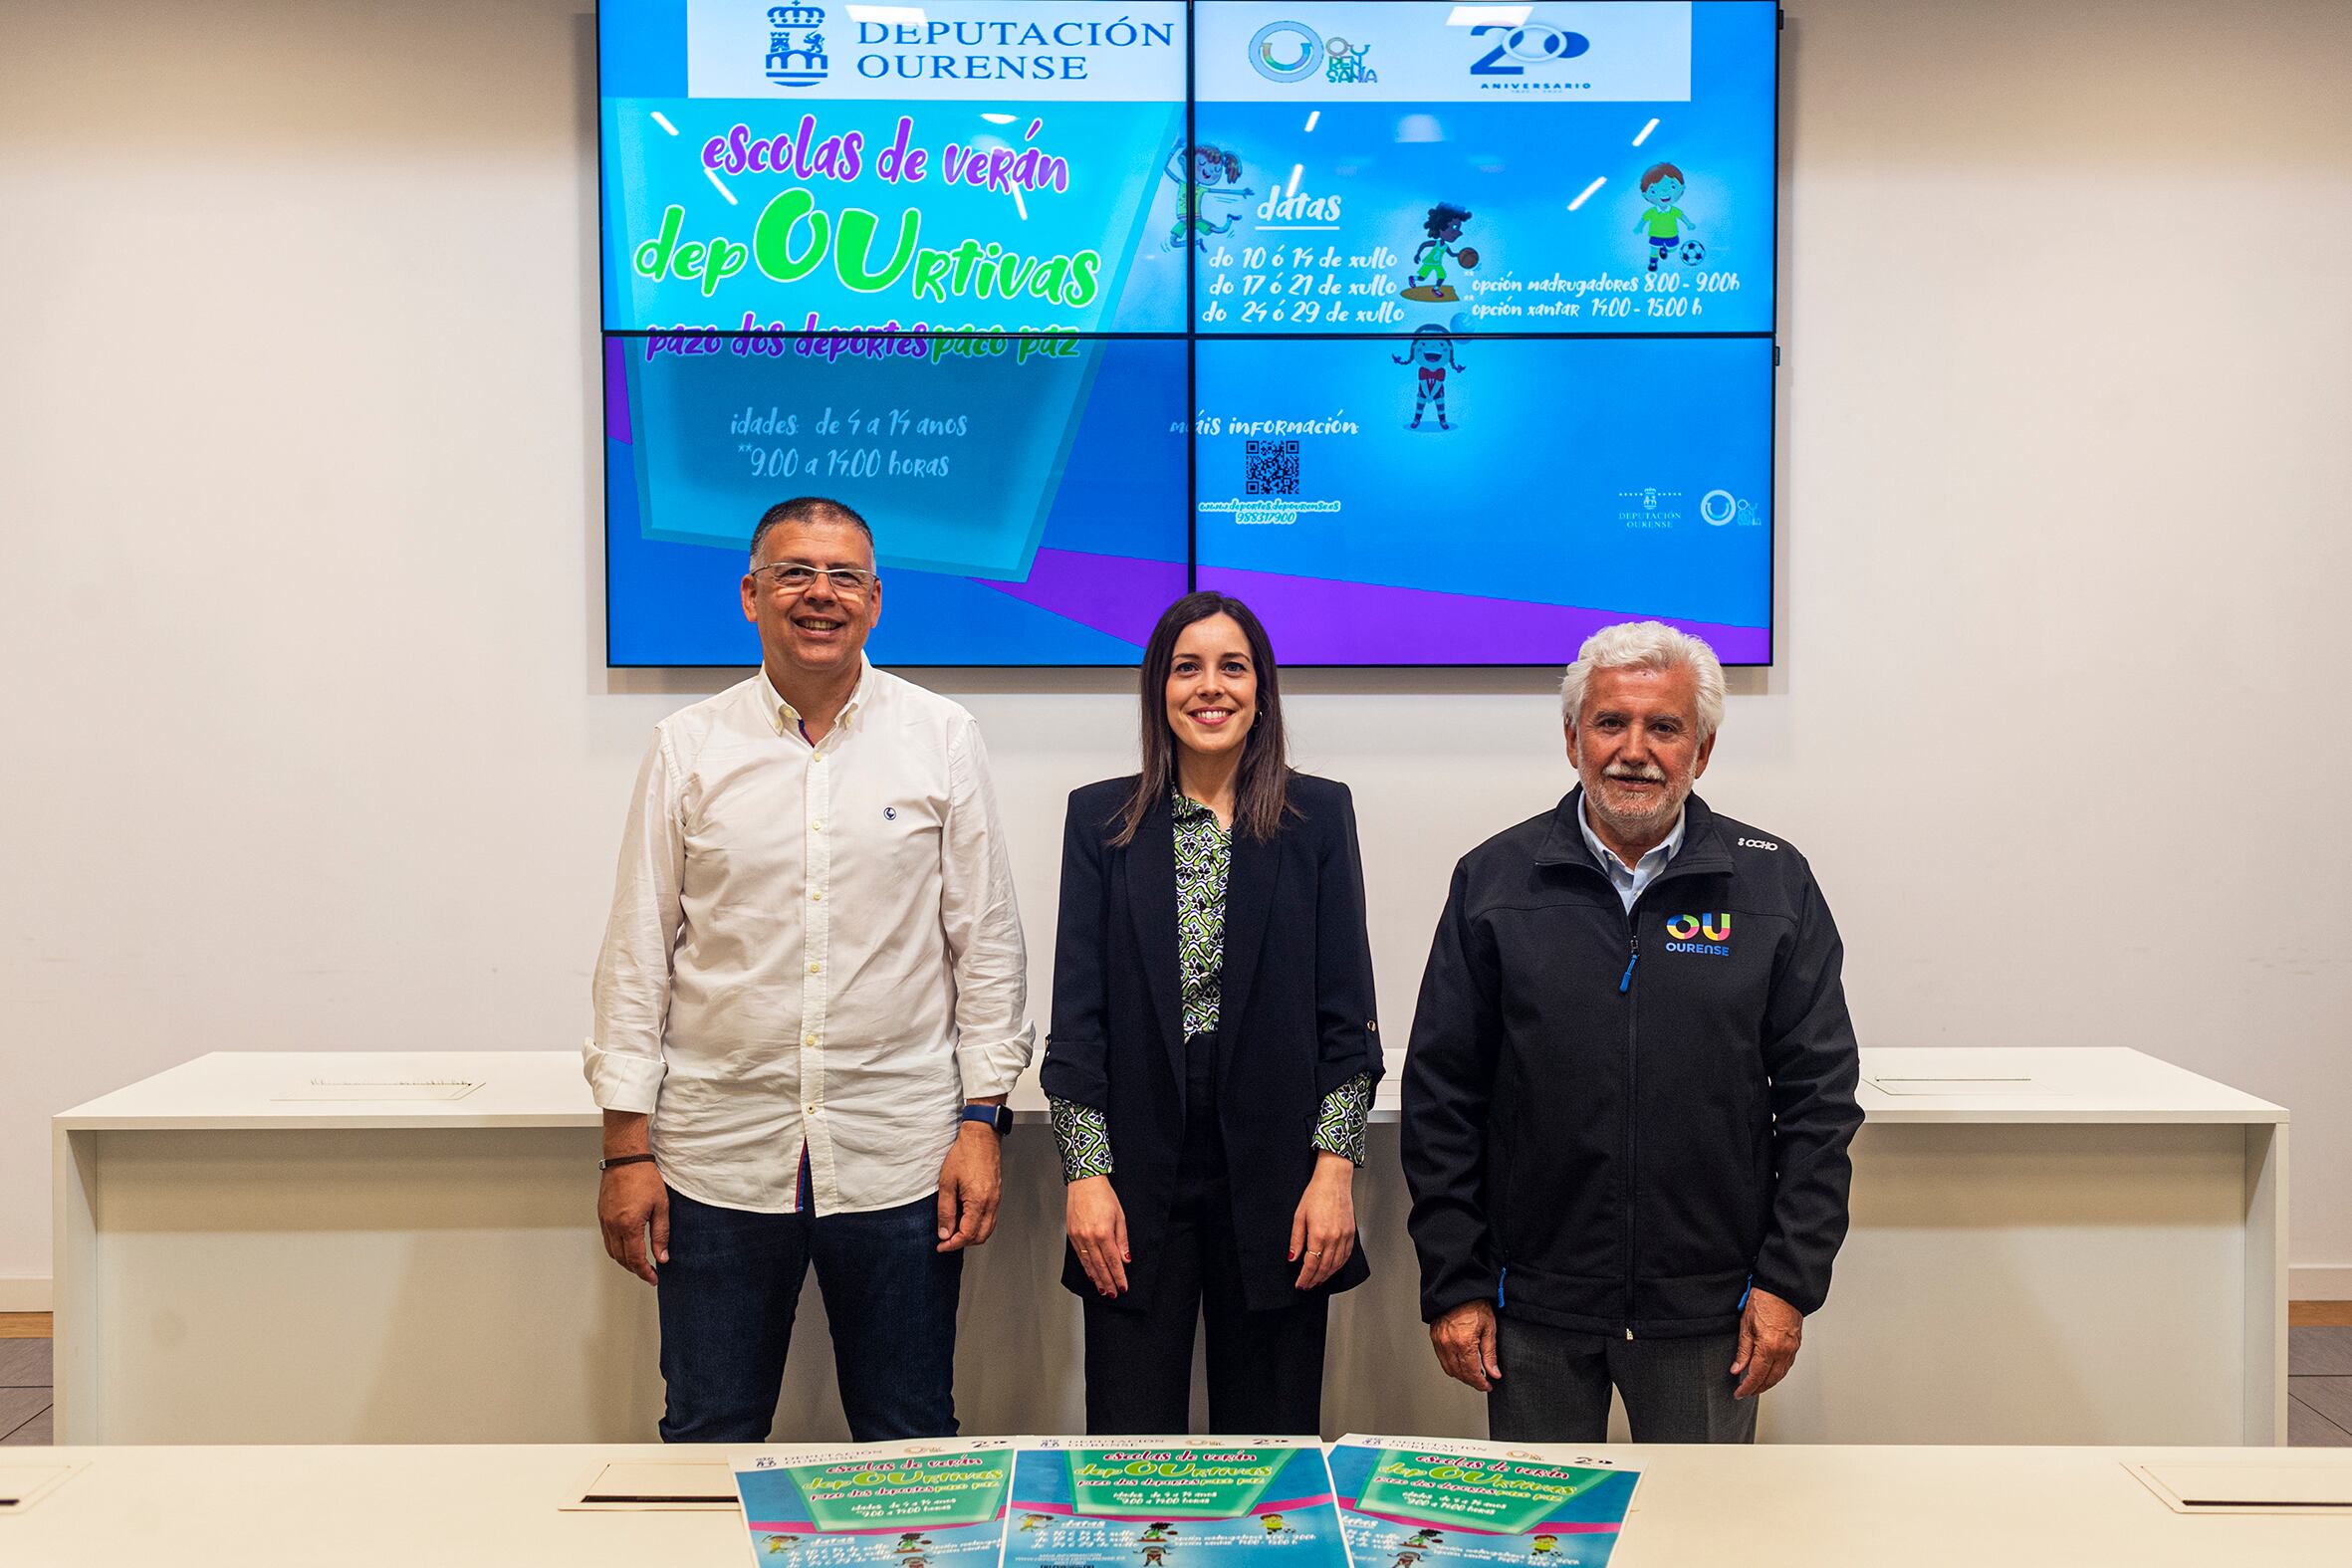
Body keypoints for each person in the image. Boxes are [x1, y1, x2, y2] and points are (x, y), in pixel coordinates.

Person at [586, 495, 1033, 1443]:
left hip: (902, 1156)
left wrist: (982, 1122)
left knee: (910, 1435)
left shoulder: (940, 736)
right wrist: (626, 1149)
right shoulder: (688, 748)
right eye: (794, 573)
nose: (818, 595)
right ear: (751, 593)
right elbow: (635, 955)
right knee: (708, 1432)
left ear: (877, 600)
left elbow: (986, 945)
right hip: (718, 1161)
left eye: (843, 577)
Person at [1401, 620, 1861, 1443]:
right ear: (1573, 737)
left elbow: (1820, 1105)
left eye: (1665, 727)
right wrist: (1455, 1281)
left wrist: (1788, 1284)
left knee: (1706, 1538)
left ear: (1704, 749)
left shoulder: (1772, 884)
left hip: (1711, 1313)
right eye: (1611, 722)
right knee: (1536, 1539)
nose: (1634, 749)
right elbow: (1443, 1097)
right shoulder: (1494, 881)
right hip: (1532, 1309)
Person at [1041, 591, 1381, 1435]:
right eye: (1187, 667)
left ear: (1262, 689)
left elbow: (1349, 1022)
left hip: (1280, 1174)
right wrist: (1085, 1176)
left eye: (1233, 666)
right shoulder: (1101, 820)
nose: (1210, 686)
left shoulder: (1318, 817)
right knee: (1128, 1447)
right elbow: (1077, 1021)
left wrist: (1334, 1175)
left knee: (1270, 1449)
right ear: (1159, 688)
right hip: (1134, 1169)